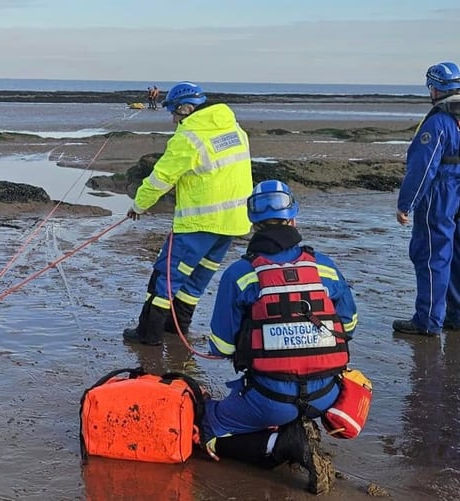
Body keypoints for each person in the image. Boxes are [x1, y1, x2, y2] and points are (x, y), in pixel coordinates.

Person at [199, 180, 357, 494]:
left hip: (269, 399)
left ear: (253, 225)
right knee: (282, 403)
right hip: (327, 396)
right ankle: (296, 426)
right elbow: (349, 325)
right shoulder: (324, 267)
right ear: (294, 219)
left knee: (206, 430)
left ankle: (283, 444)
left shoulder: (239, 274)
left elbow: (223, 346)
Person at [122, 81, 253, 346]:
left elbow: (161, 178)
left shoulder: (189, 137)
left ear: (186, 108)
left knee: (166, 276)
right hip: (233, 223)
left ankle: (149, 335)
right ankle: (177, 327)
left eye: (174, 113)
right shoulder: (234, 129)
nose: (172, 119)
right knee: (198, 278)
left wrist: (139, 206)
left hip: (198, 223)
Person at [393, 61, 460, 336]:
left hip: (442, 193)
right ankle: (455, 314)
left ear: (434, 88)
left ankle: (428, 320)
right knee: (455, 254)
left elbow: (423, 167)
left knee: (431, 255)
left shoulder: (438, 121)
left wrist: (405, 204)